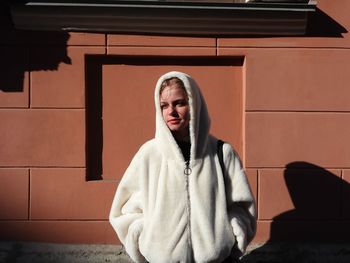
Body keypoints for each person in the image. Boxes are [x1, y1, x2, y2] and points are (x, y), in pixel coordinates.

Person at [109, 71, 256, 263]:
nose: (171, 111)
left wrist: (231, 232)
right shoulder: (149, 155)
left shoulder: (221, 153)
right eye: (164, 106)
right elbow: (124, 210)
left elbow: (242, 208)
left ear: (194, 104)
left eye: (179, 103)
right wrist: (142, 234)